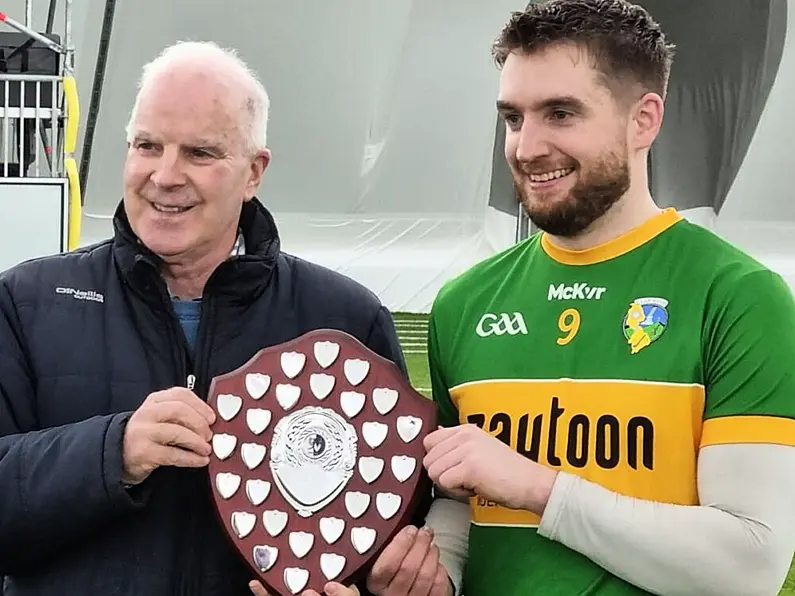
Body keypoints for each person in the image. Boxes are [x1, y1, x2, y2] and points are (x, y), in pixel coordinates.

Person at [0, 40, 432, 596]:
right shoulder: (28, 301)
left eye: (200, 153)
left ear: (254, 172)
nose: (165, 175)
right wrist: (115, 451)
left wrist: (373, 585)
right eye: (147, 146)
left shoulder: (347, 319)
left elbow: (393, 525)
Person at [414, 0, 795, 595]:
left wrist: (539, 488)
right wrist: (432, 571)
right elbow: (464, 502)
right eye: (513, 118)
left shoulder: (739, 295)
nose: (526, 146)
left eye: (560, 113)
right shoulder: (464, 303)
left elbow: (748, 568)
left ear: (643, 120)